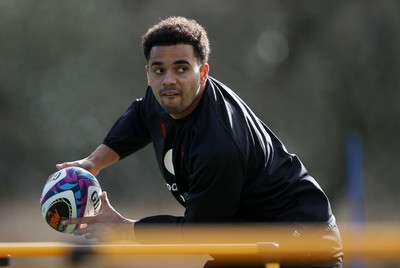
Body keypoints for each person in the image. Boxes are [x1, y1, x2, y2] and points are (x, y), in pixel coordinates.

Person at [58, 16, 343, 267]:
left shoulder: (219, 146)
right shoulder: (163, 97)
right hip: (249, 237)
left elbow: (200, 233)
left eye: (182, 68)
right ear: (148, 75)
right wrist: (93, 163)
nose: (169, 79)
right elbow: (139, 116)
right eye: (159, 70)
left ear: (203, 72)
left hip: (301, 240)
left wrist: (124, 229)